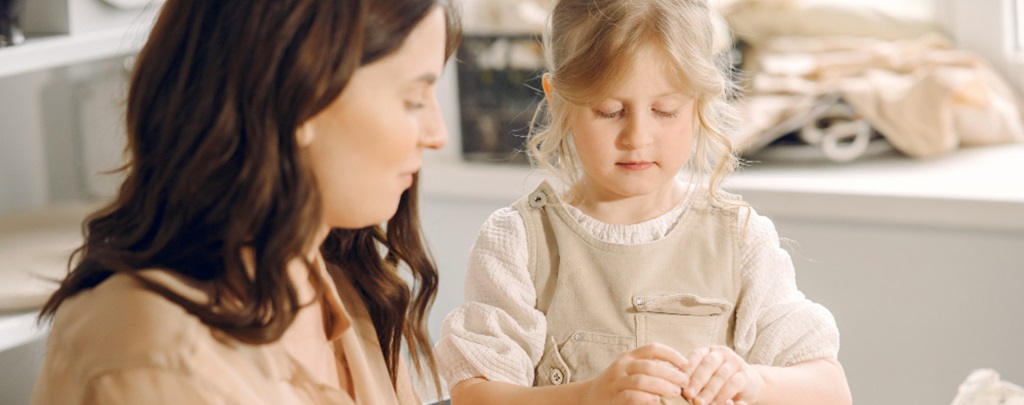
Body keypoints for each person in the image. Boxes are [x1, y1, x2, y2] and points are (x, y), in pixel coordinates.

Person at [31, 0, 460, 404]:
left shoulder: (345, 287)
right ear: (301, 94)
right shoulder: (155, 361)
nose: (437, 134)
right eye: (414, 99)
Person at [434, 0, 852, 404]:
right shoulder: (520, 242)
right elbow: (475, 394)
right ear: (559, 99)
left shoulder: (740, 240)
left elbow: (831, 389)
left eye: (664, 110)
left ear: (698, 104)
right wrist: (587, 397)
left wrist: (754, 381)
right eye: (610, 110)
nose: (637, 137)